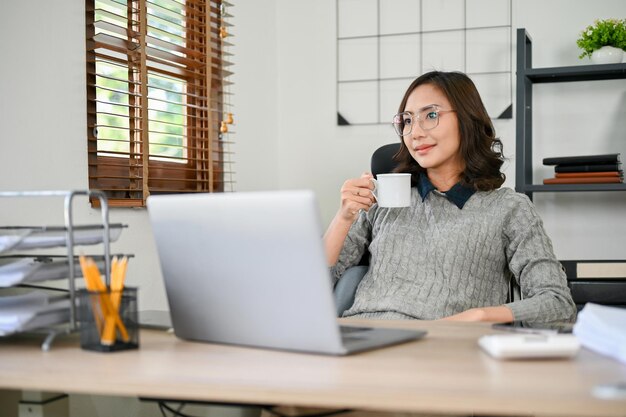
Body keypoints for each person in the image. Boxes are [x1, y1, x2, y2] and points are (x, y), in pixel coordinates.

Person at [324, 71, 577, 323]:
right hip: (359, 336)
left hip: (440, 348)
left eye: (431, 115)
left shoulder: (509, 209)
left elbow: (558, 303)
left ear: (467, 120)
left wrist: (479, 316)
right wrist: (343, 217)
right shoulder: (381, 202)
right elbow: (310, 287)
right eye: (408, 121)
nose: (415, 133)